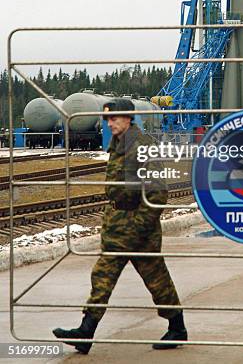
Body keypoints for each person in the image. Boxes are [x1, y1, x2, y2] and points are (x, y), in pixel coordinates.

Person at [53, 98, 187, 353]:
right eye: (107, 119)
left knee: (155, 279)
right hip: (118, 225)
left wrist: (138, 227)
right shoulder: (118, 143)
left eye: (114, 118)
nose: (109, 123)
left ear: (128, 117)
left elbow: (157, 193)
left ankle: (177, 327)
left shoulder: (142, 145)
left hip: (138, 228)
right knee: (105, 275)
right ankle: (86, 332)